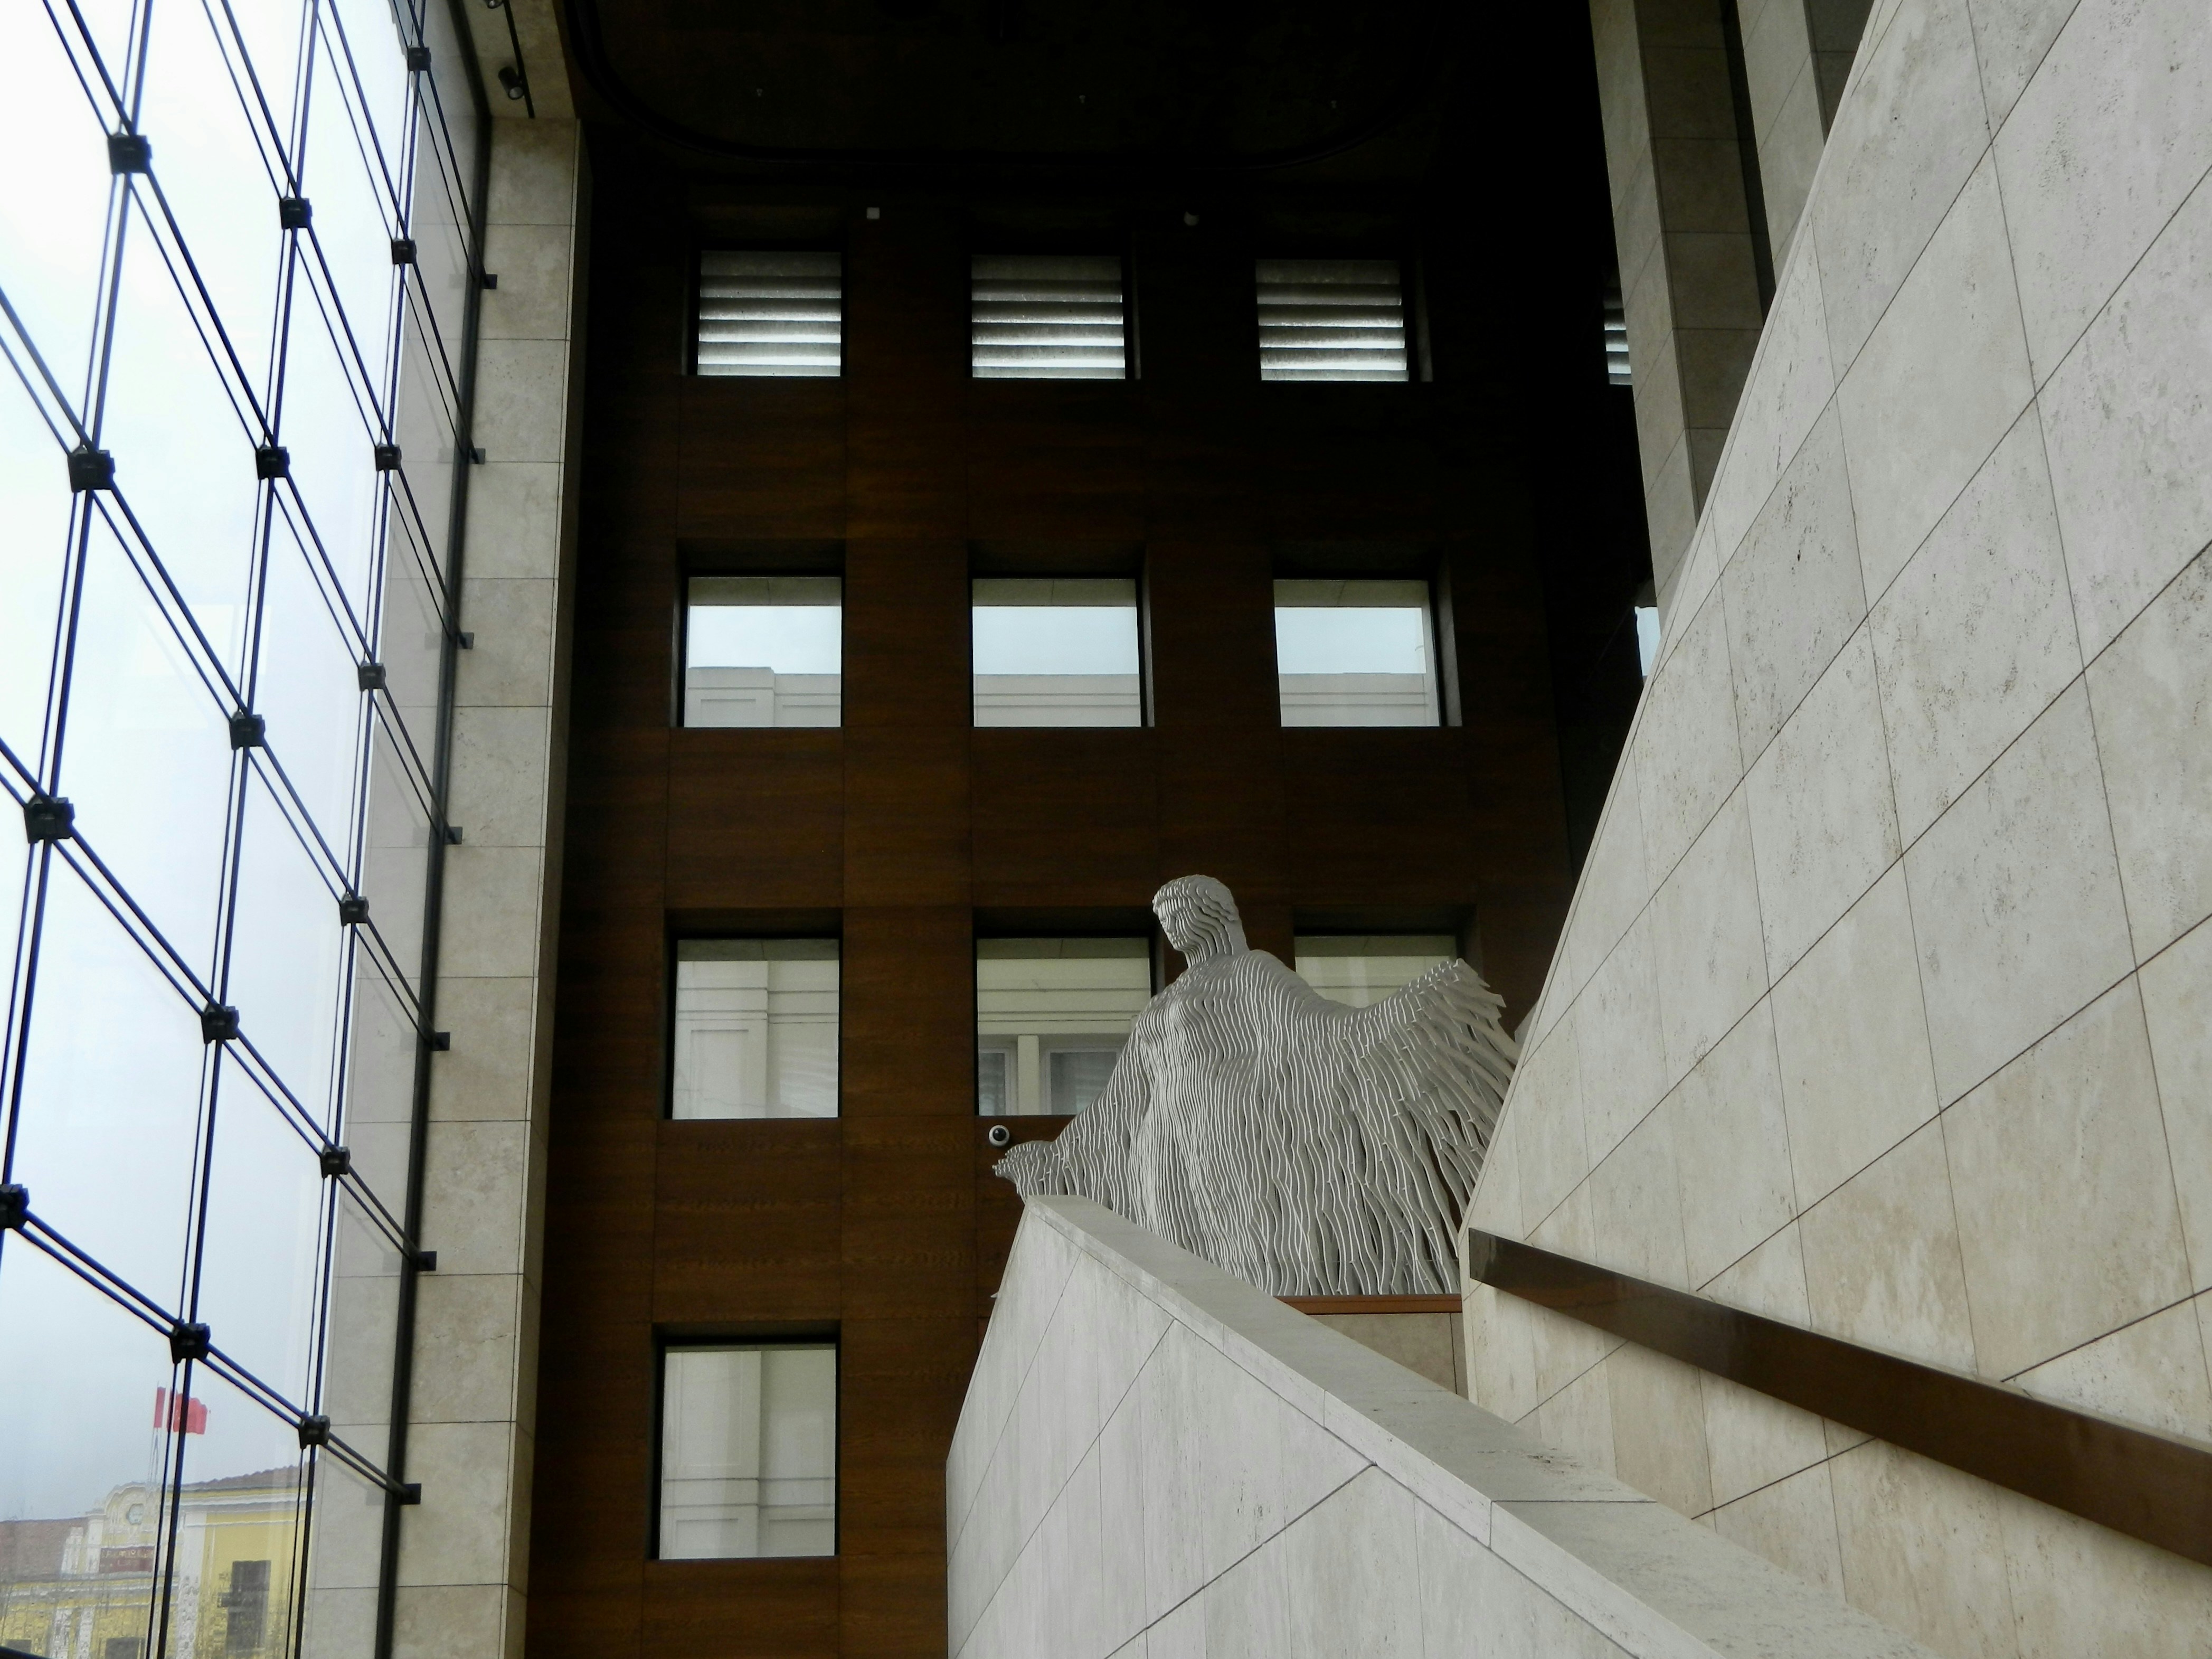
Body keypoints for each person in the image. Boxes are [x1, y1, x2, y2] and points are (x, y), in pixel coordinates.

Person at [994, 875, 1516, 1296]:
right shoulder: (1159, 1004)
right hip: (1160, 1145)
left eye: (1179, 912)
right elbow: (1116, 1108)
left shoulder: (1251, 972)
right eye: (1163, 917)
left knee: (1244, 1243)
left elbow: (1316, 1031)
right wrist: (1057, 1159)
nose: (1171, 926)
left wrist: (1406, 1016)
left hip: (1228, 1127)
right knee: (1176, 1251)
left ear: (1213, 914)